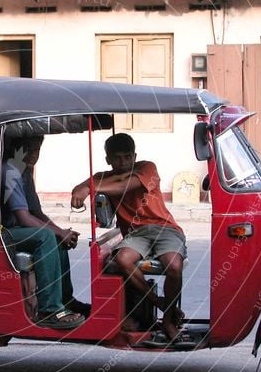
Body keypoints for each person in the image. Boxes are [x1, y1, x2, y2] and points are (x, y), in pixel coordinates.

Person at [71, 133, 187, 342]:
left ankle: (168, 320)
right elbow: (78, 190)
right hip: (136, 234)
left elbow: (125, 186)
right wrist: (86, 187)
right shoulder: (102, 177)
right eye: (117, 158)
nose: (123, 162)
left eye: (127, 157)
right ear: (108, 159)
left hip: (164, 228)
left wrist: (92, 187)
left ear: (135, 156)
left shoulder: (147, 168)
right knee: (123, 260)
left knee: (174, 266)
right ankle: (158, 303)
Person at [2, 139, 86, 330]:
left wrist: (62, 232)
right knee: (46, 236)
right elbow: (24, 218)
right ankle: (50, 310)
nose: (33, 154)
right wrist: (56, 232)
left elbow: (37, 213)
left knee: (55, 237)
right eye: (28, 149)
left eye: (36, 149)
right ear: (16, 148)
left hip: (17, 229)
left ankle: (65, 301)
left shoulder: (25, 170)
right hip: (3, 233)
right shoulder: (10, 170)